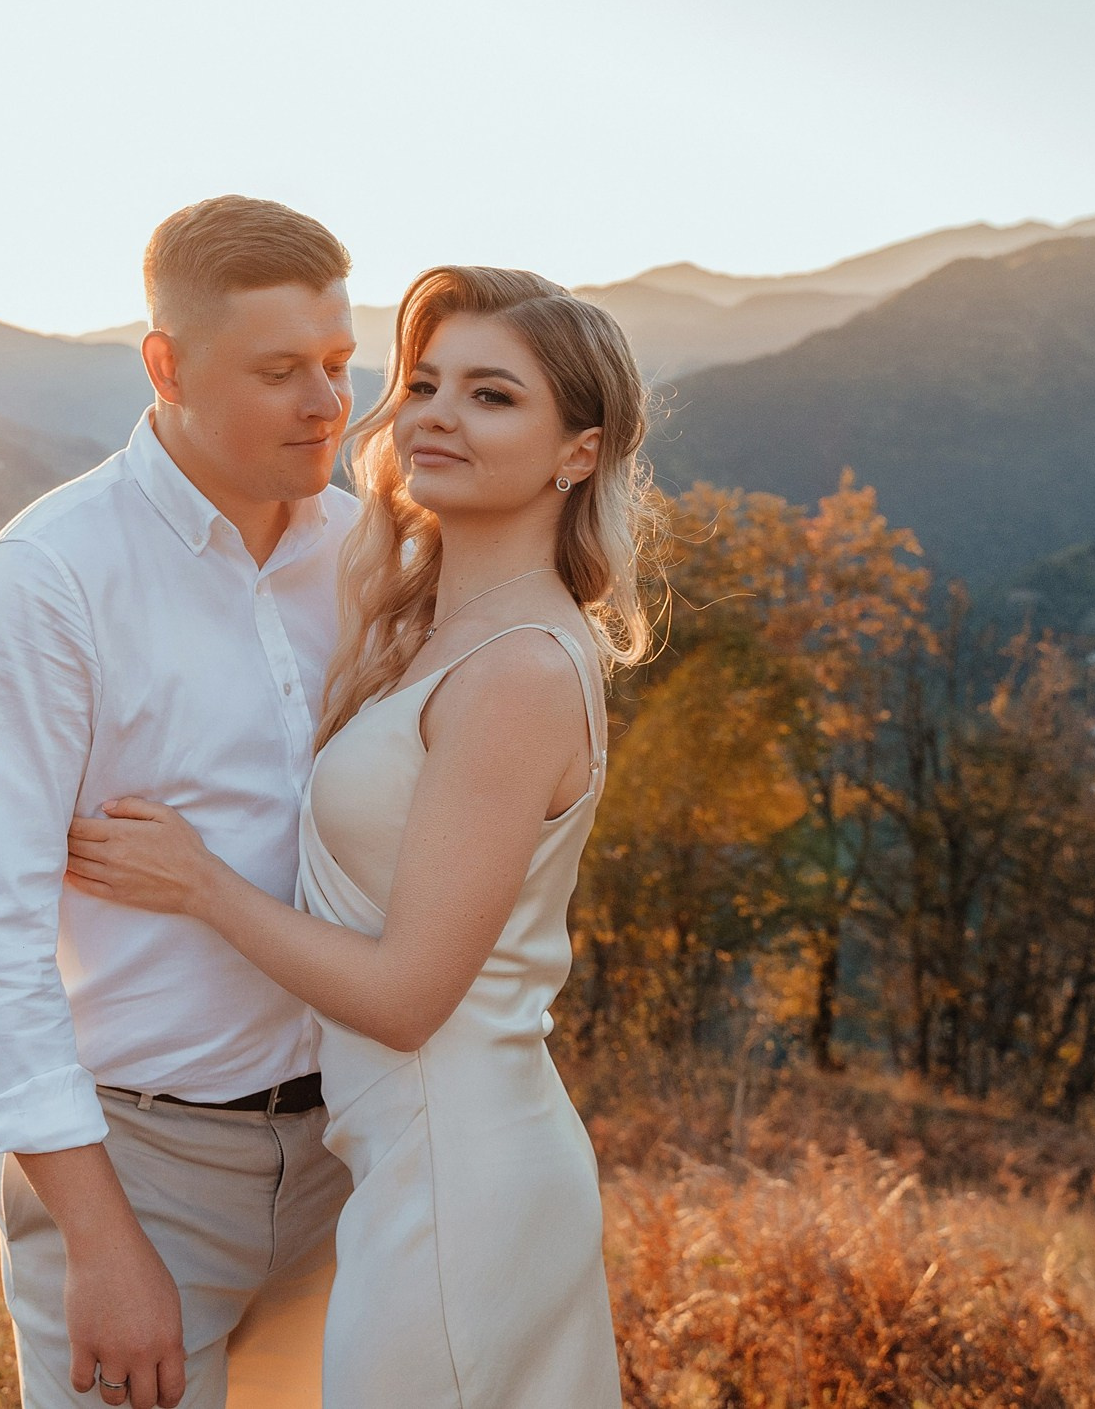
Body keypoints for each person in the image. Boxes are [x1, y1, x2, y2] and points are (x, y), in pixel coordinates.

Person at [67, 265, 659, 1406]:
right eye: (424, 383)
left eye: (493, 395)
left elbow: (404, 996)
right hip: (403, 1162)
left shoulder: (519, 671)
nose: (436, 415)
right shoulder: (436, 623)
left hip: (460, 1185)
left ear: (578, 452)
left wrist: (199, 885)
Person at [0, 196, 361, 1409]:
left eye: (337, 361)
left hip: (352, 1163)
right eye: (278, 371)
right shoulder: (45, 587)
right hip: (138, 1169)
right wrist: (101, 1242)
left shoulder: (370, 557)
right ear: (166, 368)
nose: (326, 402)